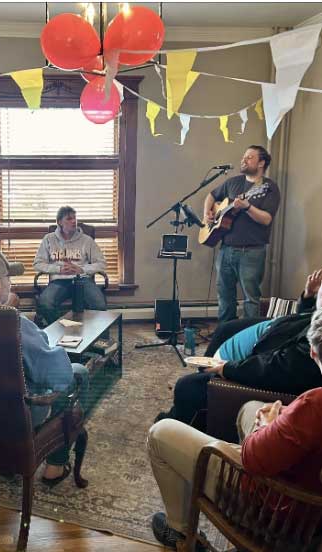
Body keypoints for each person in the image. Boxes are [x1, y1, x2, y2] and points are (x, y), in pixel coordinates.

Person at [147, 308, 322, 550]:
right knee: (251, 408)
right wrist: (283, 416)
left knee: (160, 433)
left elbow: (252, 457)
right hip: (305, 483)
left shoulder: (312, 405)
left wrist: (267, 426)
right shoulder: (309, 406)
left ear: (313, 351)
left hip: (279, 509)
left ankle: (180, 533)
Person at [0, 247, 89, 484]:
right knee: (79, 373)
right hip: (15, 416)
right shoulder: (13, 322)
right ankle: (55, 465)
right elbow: (58, 376)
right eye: (8, 278)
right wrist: (48, 345)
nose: (10, 284)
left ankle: (5, 462)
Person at [156, 269, 322, 428]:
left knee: (186, 385)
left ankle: (188, 412)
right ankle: (202, 382)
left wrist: (227, 368)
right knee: (224, 330)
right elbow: (306, 317)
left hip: (265, 351)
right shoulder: (318, 319)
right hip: (276, 328)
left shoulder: (312, 348)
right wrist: (308, 296)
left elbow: (272, 368)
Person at [203, 146, 281, 322]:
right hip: (226, 249)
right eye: (244, 156)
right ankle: (225, 333)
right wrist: (207, 212)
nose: (243, 160)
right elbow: (211, 196)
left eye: (249, 157)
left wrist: (247, 207)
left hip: (251, 252)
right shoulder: (233, 182)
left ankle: (247, 336)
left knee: (251, 299)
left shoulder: (268, 188)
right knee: (224, 296)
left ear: (261, 163)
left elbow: (266, 219)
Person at [33, 206, 107, 325]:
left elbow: (101, 263)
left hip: (82, 280)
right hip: (59, 281)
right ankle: (62, 330)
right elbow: (38, 264)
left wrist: (81, 269)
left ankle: (92, 335)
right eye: (69, 219)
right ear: (59, 222)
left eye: (74, 218)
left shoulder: (87, 240)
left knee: (99, 305)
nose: (73, 221)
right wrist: (59, 269)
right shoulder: (49, 239)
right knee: (45, 303)